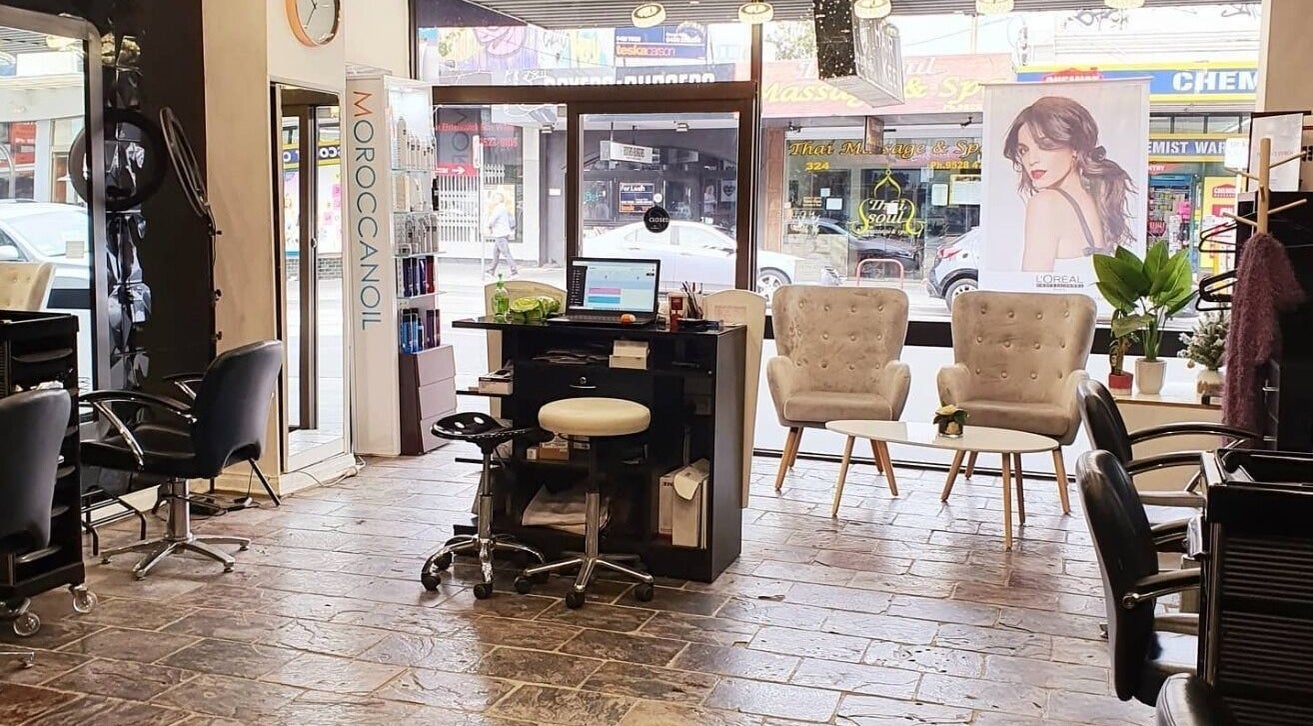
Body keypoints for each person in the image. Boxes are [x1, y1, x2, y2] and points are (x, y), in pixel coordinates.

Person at [1003, 96, 1135, 273]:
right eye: (1023, 150)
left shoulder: (1045, 203)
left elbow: (1032, 291)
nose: (1032, 160)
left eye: (1045, 145)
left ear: (1075, 148)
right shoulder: (1096, 199)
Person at [485, 191, 518, 277]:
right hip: (502, 233)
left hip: (500, 234)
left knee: (506, 253)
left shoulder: (498, 209)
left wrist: (487, 226)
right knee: (496, 253)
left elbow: (492, 220)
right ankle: (491, 270)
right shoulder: (504, 208)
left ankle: (514, 271)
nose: (493, 200)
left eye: (495, 198)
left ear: (499, 199)